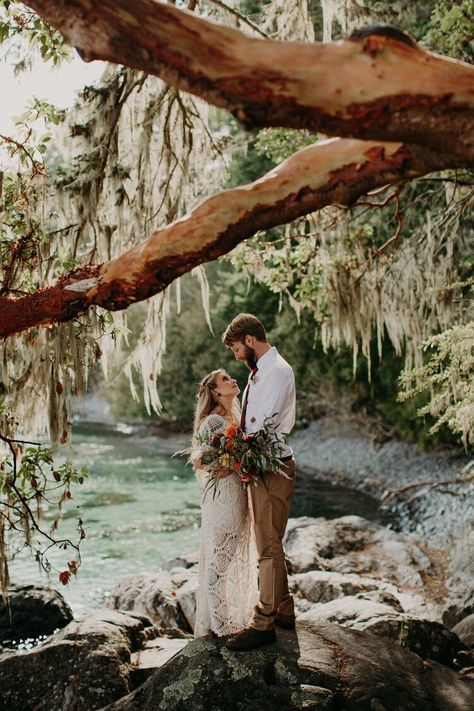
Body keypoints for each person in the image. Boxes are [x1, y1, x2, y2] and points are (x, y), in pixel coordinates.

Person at [222, 313, 296, 651]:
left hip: (272, 466)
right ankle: (284, 608)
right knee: (270, 541)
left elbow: (261, 429)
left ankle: (264, 622)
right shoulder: (260, 372)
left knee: (267, 545)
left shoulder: (277, 372)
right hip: (261, 466)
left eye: (237, 349)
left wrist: (236, 451)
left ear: (250, 340)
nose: (237, 356)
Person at [191, 369, 258, 637]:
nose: (232, 381)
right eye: (225, 380)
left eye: (230, 377)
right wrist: (225, 463)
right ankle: (220, 624)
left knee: (227, 557)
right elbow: (198, 459)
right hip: (222, 499)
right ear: (216, 392)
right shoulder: (213, 423)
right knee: (219, 561)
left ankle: (231, 616)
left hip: (236, 494)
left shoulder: (235, 418)